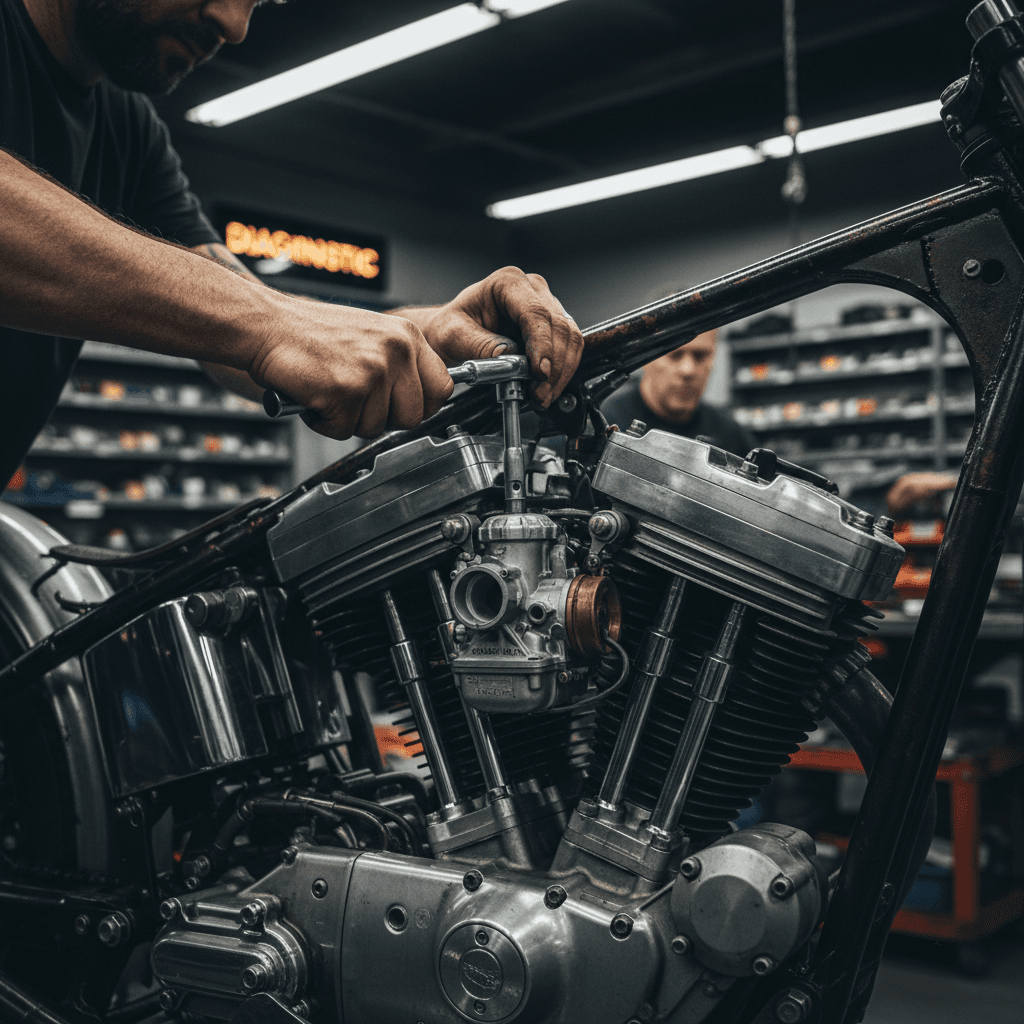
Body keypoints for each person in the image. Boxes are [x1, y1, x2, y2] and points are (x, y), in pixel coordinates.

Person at [0, 0, 583, 489]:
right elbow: (256, 321)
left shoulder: (130, 128)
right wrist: (272, 324)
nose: (234, 24)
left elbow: (235, 315)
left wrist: (424, 336)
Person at [600, 329, 755, 457]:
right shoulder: (604, 421)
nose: (688, 370)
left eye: (700, 355)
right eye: (674, 354)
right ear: (645, 358)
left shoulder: (730, 434)